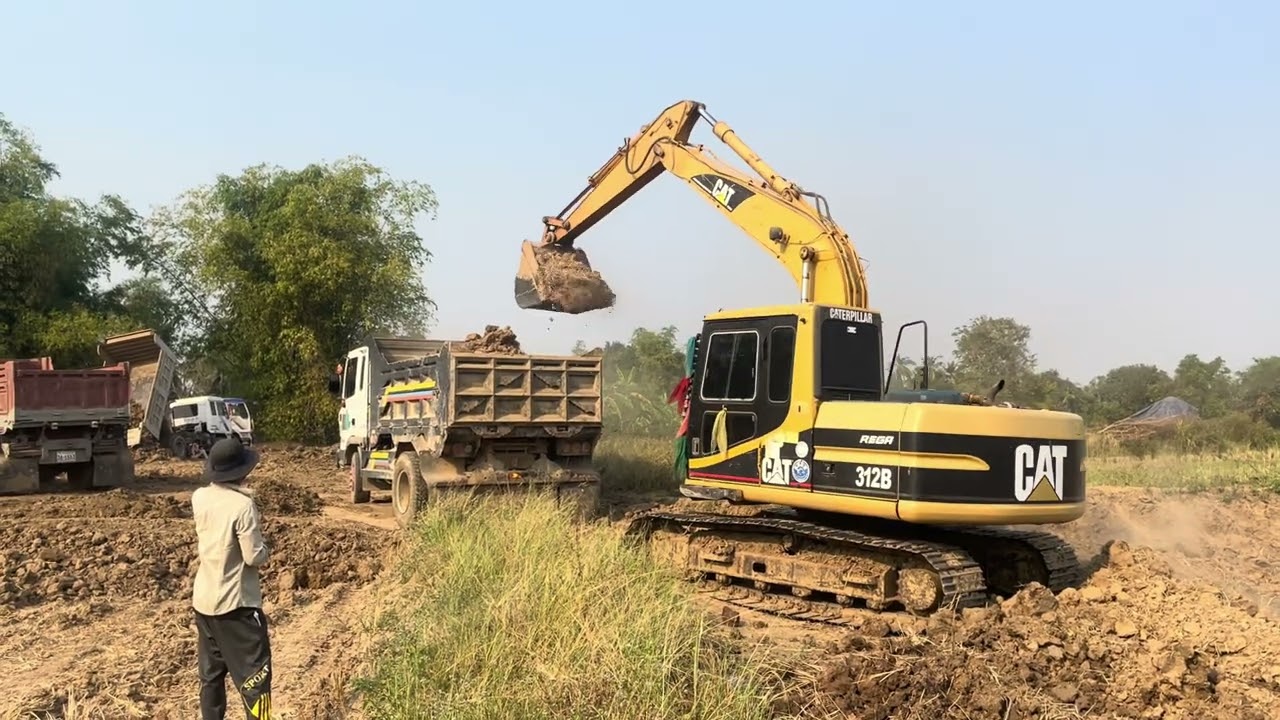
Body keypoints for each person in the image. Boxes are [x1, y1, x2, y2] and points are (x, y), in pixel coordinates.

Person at [191, 437, 273, 719]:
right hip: (236, 607)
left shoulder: (199, 497)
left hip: (204, 603)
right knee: (256, 680)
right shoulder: (242, 506)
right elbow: (253, 556)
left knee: (211, 678)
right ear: (242, 471)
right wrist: (266, 549)